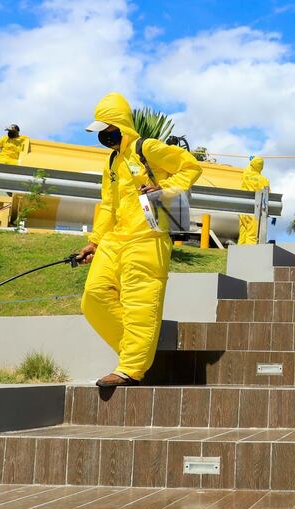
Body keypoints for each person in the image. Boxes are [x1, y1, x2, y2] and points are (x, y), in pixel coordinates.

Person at [77, 92, 202, 387]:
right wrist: (95, 241)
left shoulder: (148, 148)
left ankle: (131, 368)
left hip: (148, 236)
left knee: (139, 303)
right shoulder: (112, 161)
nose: (104, 136)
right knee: (93, 297)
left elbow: (191, 167)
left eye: (108, 129)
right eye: (100, 132)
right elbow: (108, 204)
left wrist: (165, 187)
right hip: (114, 238)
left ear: (120, 125)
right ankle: (139, 351)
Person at [238, 156, 270, 244]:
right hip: (254, 210)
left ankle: (238, 255)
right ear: (261, 167)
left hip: (242, 209)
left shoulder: (245, 174)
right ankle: (249, 256)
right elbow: (267, 196)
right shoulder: (263, 180)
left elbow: (250, 166)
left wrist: (252, 160)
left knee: (243, 234)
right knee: (252, 235)